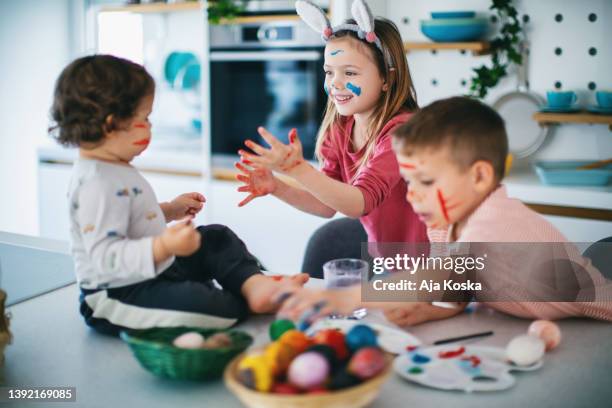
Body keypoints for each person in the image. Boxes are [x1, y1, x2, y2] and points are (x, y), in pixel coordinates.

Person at [277, 96, 612, 325]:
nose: (412, 196)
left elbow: (438, 275)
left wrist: (352, 297)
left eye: (425, 181)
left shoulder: (495, 223)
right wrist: (433, 313)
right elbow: (459, 285)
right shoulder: (444, 222)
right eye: (409, 182)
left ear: (479, 176)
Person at [49, 55, 307, 336]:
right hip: (118, 294)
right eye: (144, 118)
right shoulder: (96, 184)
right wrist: (165, 246)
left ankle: (255, 289)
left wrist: (171, 210)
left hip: (159, 269)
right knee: (215, 309)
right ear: (111, 125)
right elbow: (106, 258)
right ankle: (243, 300)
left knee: (215, 238)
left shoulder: (113, 167)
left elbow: (130, 221)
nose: (150, 126)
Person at [234, 0, 428, 247]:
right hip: (393, 262)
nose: (335, 83)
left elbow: (360, 202)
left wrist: (298, 169)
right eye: (329, 72)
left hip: (436, 263)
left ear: (386, 78)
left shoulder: (402, 133)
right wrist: (277, 187)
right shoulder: (341, 128)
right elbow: (325, 204)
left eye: (349, 73)